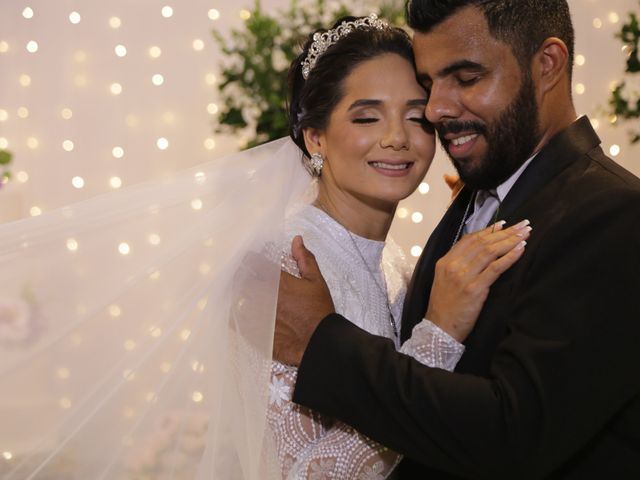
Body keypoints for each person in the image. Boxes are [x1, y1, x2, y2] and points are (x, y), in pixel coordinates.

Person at [0, 13, 528, 480]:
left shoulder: (398, 268)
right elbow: (304, 473)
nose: (397, 137)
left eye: (416, 116)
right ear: (315, 138)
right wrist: (437, 335)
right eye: (366, 116)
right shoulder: (281, 263)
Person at [274, 1, 640, 479]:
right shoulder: (479, 198)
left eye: (465, 78)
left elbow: (516, 434)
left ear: (547, 64)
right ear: (313, 136)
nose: (437, 109)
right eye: (430, 84)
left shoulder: (613, 213)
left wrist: (323, 345)